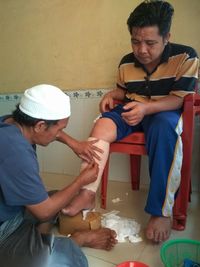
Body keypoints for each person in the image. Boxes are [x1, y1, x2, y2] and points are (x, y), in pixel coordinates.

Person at [61, 0, 199, 243]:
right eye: (136, 41)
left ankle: (161, 211)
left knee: (164, 127)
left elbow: (179, 99)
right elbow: (125, 93)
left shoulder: (186, 56)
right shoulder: (126, 62)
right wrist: (112, 95)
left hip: (164, 112)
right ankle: (87, 192)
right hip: (133, 109)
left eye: (150, 43)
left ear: (167, 37)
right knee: (102, 124)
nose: (142, 50)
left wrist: (148, 108)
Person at [0, 84, 117, 267]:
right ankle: (78, 240)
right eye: (59, 128)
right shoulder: (16, 151)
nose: (60, 133)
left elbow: (52, 130)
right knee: (52, 261)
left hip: (12, 208)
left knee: (55, 198)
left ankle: (37, 234)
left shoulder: (11, 123)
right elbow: (44, 210)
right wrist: (81, 181)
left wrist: (74, 144)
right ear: (40, 126)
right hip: (4, 226)